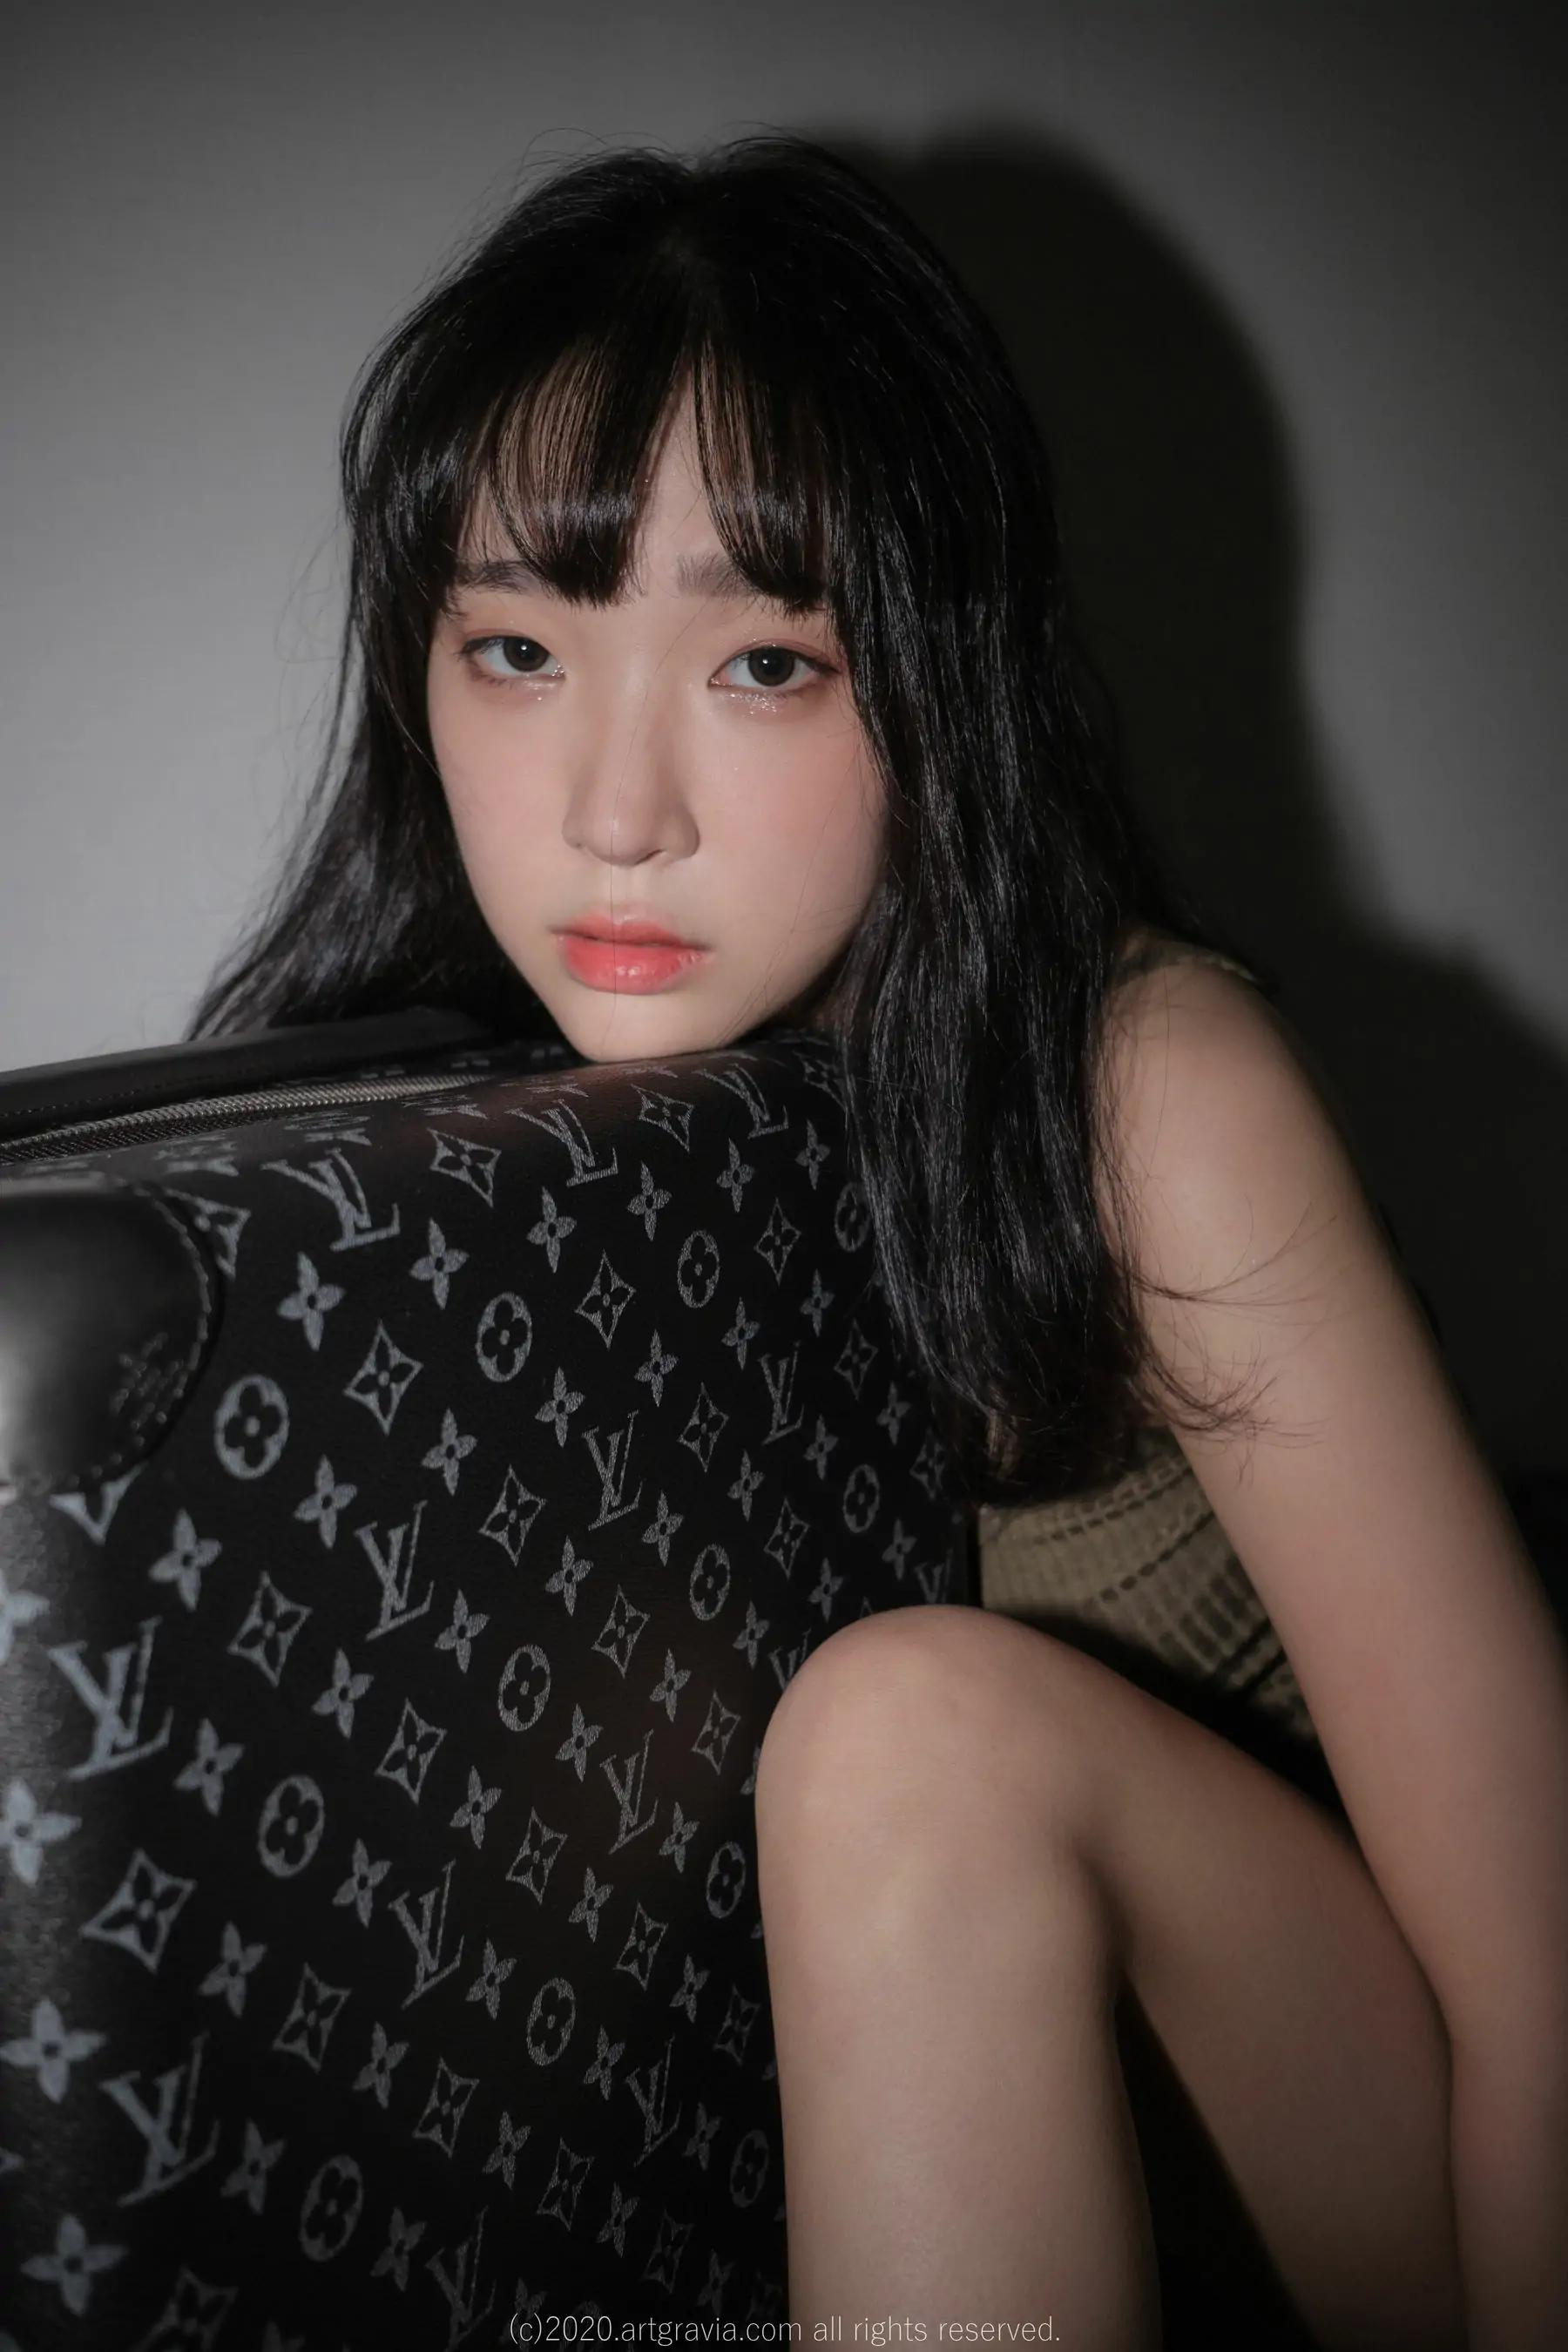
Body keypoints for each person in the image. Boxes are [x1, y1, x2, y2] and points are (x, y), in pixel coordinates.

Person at [189, 137, 1568, 2348]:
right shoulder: (413, 1173)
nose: (615, 812)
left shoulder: (1143, 1088)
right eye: (519, 648)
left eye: (765, 664)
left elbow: (1536, 1955)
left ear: (938, 674)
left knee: (909, 1737)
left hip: (1361, 2164)